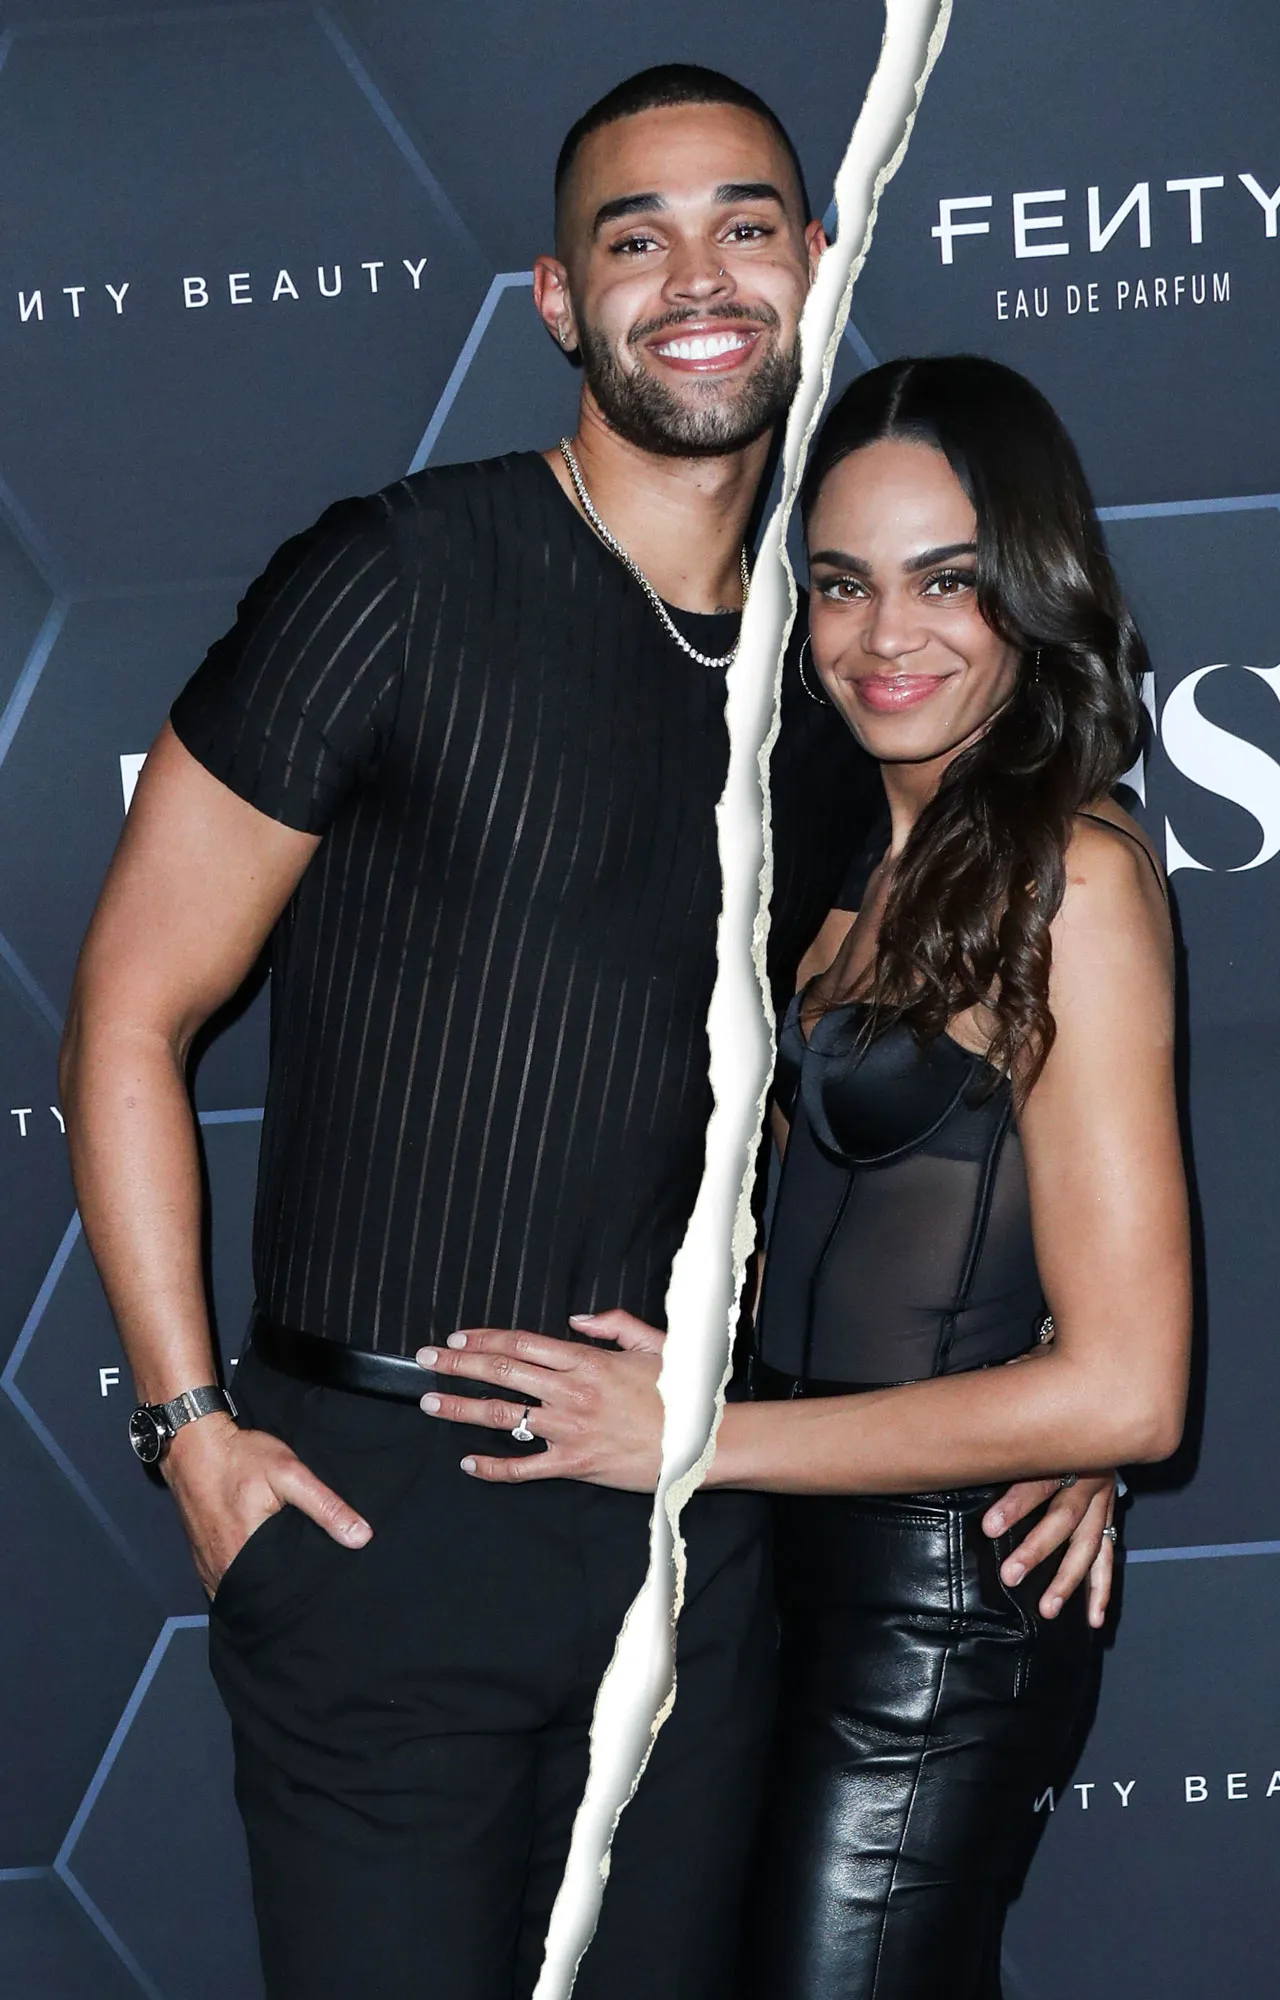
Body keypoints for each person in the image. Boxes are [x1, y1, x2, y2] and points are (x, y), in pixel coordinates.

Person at [60, 56, 1117, 2000]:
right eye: (637, 242)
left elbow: (898, 1088)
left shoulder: (841, 674)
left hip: (698, 1556)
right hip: (375, 1529)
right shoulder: (394, 580)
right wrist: (190, 1433)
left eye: (744, 227)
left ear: (816, 262)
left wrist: (1056, 1404)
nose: (697, 278)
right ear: (562, 301)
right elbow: (130, 1007)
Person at [415, 355, 1192, 1998]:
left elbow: (1130, 1389)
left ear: (1033, 588)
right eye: (842, 583)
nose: (884, 634)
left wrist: (694, 1439)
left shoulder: (1072, 876)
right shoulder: (847, 851)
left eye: (946, 580)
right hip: (777, 1577)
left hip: (935, 1619)